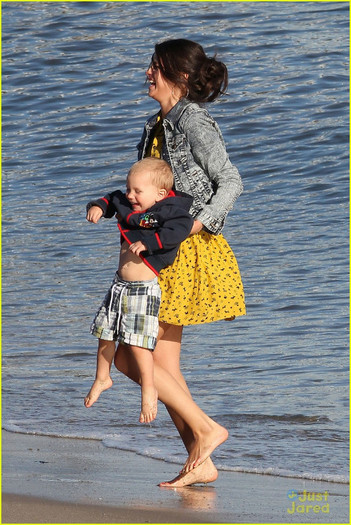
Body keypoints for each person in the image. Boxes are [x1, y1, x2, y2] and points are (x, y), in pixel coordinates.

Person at [113, 38, 246, 486]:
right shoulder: (157, 123)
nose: (146, 73)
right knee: (160, 365)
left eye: (154, 66)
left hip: (185, 252)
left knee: (134, 360)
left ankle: (208, 432)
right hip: (161, 253)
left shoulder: (192, 120)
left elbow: (230, 181)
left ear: (180, 76)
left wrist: (196, 224)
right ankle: (200, 459)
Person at [84, 157, 194, 423]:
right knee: (105, 331)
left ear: (160, 193)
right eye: (129, 188)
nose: (130, 196)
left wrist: (149, 243)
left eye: (137, 191)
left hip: (143, 289)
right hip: (119, 285)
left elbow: (180, 229)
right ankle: (102, 377)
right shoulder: (127, 202)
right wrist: (98, 207)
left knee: (137, 343)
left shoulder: (170, 210)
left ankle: (149, 387)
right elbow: (112, 199)